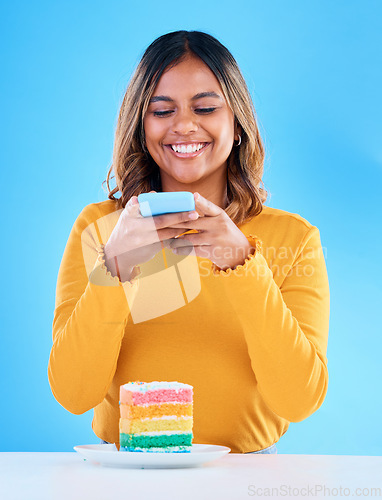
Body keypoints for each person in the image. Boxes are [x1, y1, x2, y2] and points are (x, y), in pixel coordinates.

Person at [48, 30, 330, 455]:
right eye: (162, 110)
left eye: (206, 107)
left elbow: (299, 400)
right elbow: (73, 394)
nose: (183, 125)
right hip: (125, 477)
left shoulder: (294, 238)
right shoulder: (99, 228)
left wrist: (243, 264)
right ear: (141, 128)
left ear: (237, 125)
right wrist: (116, 269)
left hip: (247, 476)